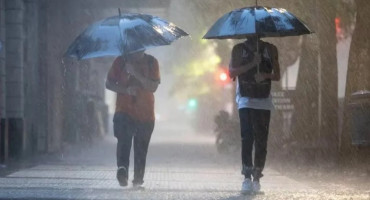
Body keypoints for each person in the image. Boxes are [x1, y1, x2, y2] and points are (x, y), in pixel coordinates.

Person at [229, 36, 280, 194]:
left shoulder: (270, 49)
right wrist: (252, 63)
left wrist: (264, 75)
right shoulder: (238, 49)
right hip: (245, 99)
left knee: (261, 139)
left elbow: (277, 75)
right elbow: (231, 72)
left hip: (263, 100)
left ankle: (257, 176)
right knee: (247, 137)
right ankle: (246, 176)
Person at [106, 50, 160, 188]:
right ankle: (122, 170)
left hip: (146, 114)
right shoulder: (120, 61)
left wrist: (135, 73)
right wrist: (126, 90)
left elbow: (153, 87)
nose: (137, 49)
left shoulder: (151, 62)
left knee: (141, 149)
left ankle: (137, 180)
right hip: (124, 111)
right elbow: (109, 84)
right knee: (124, 141)